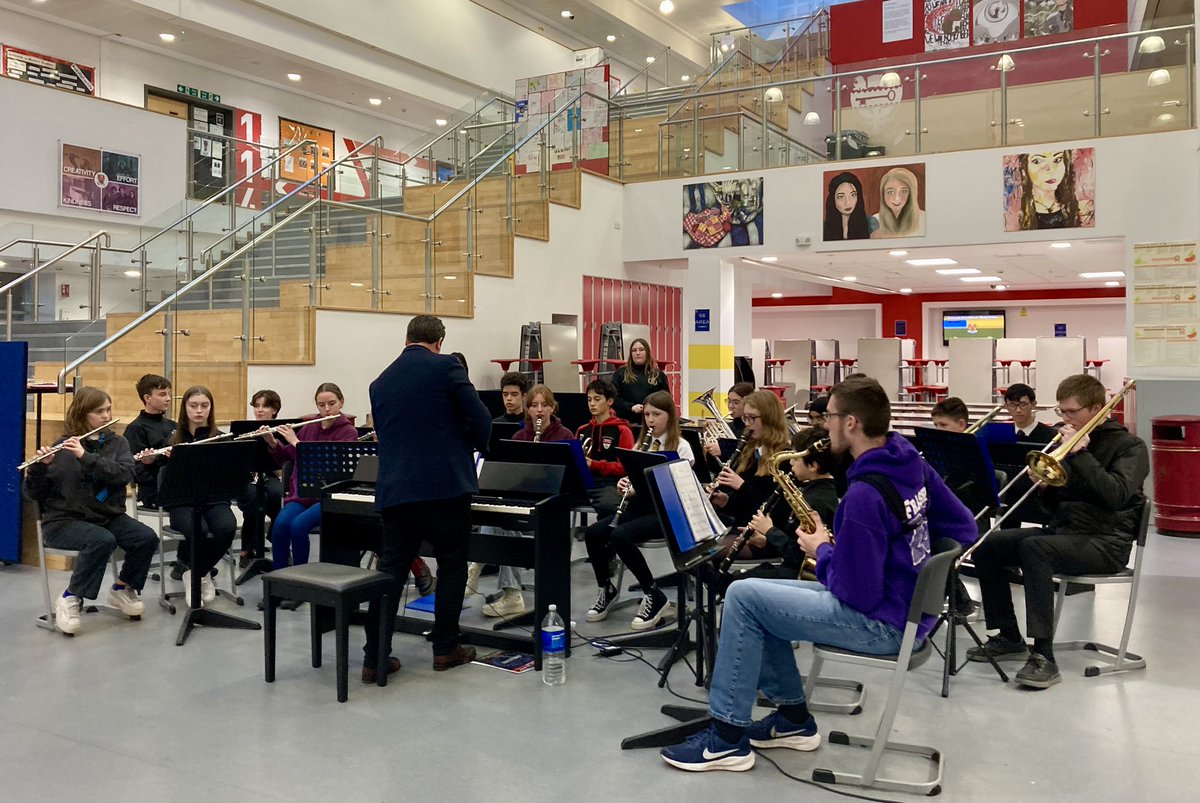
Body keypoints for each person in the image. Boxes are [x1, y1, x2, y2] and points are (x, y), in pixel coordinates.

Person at [660, 377, 978, 772]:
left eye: (829, 417)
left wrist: (823, 549)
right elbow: (964, 528)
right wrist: (915, 560)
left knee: (743, 597)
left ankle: (726, 740)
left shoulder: (864, 496)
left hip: (884, 623)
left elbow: (856, 595)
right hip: (910, 613)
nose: (824, 426)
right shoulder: (909, 459)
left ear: (851, 423)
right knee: (755, 597)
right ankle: (793, 721)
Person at [968, 374, 1147, 690]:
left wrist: (1081, 454)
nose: (1064, 419)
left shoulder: (1129, 446)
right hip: (1065, 532)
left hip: (1106, 544)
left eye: (1072, 412)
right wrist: (1046, 489)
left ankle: (1043, 656)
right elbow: (1053, 509)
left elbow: (1116, 495)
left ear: (1095, 408)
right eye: (1061, 412)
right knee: (989, 544)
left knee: (1036, 548)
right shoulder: (1066, 442)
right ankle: (1008, 635)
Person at [363, 315, 492, 680]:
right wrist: (474, 446)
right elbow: (480, 420)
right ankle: (446, 648)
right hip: (445, 487)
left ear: (407, 339)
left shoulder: (380, 382)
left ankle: (374, 659)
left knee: (390, 572)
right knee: (451, 565)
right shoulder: (446, 365)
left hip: (397, 490)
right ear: (439, 341)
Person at [23, 387, 157, 634]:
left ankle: (121, 589)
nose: (106, 416)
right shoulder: (61, 447)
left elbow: (124, 474)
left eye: (108, 410)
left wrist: (86, 457)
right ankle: (69, 598)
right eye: (99, 411)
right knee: (101, 540)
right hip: (63, 520)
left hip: (105, 515)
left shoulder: (118, 443)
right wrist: (39, 469)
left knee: (146, 537)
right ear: (82, 415)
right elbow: (33, 494)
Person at [583, 390, 694, 631]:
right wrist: (626, 484)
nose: (650, 420)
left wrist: (641, 487)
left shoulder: (683, 447)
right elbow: (633, 480)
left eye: (657, 414)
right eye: (647, 415)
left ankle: (653, 594)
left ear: (670, 416)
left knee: (619, 536)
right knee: (593, 534)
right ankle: (607, 589)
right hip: (640, 506)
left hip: (667, 512)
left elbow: (681, 490)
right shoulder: (639, 444)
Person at [480, 384, 574, 618]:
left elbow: (570, 483)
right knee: (495, 516)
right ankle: (510, 593)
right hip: (523, 506)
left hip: (551, 511)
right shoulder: (519, 437)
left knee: (501, 527)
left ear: (553, 408)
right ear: (527, 410)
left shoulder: (565, 437)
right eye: (533, 406)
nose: (539, 411)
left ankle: (486, 573)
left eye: (544, 405)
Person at [263, 383, 358, 572]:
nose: (327, 409)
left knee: (298, 527)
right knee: (280, 527)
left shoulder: (348, 432)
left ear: (341, 402)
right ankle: (280, 581)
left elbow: (329, 465)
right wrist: (273, 443)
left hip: (327, 496)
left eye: (332, 403)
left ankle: (300, 581)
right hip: (302, 493)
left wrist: (296, 442)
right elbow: (287, 457)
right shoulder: (309, 427)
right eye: (321, 405)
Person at [158, 386, 237, 607]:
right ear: (185, 408)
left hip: (214, 499)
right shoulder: (172, 440)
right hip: (182, 501)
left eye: (204, 406)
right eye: (193, 406)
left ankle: (195, 574)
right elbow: (164, 480)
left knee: (227, 527)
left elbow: (231, 475)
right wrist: (161, 461)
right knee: (198, 530)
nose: (199, 411)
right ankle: (198, 577)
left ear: (211, 409)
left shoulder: (222, 439)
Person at [730, 426, 839, 584]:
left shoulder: (817, 501)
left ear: (813, 465)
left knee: (737, 586)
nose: (791, 463)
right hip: (790, 566)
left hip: (800, 575)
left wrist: (770, 531)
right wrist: (766, 539)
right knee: (736, 581)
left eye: (795, 458)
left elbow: (798, 555)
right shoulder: (812, 490)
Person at [711, 390, 793, 562]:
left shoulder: (783, 459)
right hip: (743, 526)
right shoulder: (749, 451)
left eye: (752, 418)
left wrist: (741, 486)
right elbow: (744, 506)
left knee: (710, 553)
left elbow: (776, 508)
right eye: (745, 418)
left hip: (767, 535)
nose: (747, 424)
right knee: (697, 550)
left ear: (770, 419)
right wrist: (725, 501)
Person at [235, 389, 284, 569]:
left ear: (275, 410)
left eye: (265, 406)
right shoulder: (245, 430)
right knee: (255, 499)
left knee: (279, 495)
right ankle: (246, 551)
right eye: (257, 406)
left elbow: (281, 466)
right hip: (246, 480)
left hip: (269, 476)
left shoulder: (281, 431)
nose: (260, 410)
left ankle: (275, 540)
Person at [576, 378, 634, 517]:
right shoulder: (583, 430)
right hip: (583, 483)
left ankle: (600, 535)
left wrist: (594, 465)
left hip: (609, 484)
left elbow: (625, 468)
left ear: (610, 401)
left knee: (608, 505)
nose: (592, 404)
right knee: (553, 499)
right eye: (589, 400)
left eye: (597, 399)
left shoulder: (622, 430)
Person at [124, 373, 175, 509]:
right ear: (147, 398)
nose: (168, 399)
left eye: (169, 394)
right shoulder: (135, 428)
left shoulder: (173, 425)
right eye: (162, 394)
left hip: (177, 486)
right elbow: (134, 469)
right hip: (155, 492)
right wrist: (151, 463)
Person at [1016, 150, 1093, 230]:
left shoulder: (1084, 210)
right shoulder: (1016, 214)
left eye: (1057, 160)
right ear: (1024, 168)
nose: (1051, 170)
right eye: (1038, 161)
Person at [611, 337, 670, 425]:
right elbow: (614, 399)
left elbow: (666, 399)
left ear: (647, 352)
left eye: (641, 350)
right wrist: (631, 407)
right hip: (627, 422)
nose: (637, 353)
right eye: (634, 350)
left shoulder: (658, 375)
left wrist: (650, 408)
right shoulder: (620, 373)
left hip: (652, 422)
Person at [702, 381, 752, 464]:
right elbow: (713, 465)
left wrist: (724, 451)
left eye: (736, 402)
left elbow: (750, 459)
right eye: (729, 401)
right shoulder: (728, 427)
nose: (730, 406)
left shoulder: (753, 429)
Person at [870, 166, 925, 238]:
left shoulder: (924, 219)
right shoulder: (875, 221)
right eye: (890, 192)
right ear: (883, 194)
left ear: (911, 194)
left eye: (903, 191)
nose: (897, 198)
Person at [822, 171, 872, 241]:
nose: (848, 203)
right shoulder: (822, 228)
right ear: (833, 200)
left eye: (853, 195)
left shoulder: (871, 224)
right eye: (841, 197)